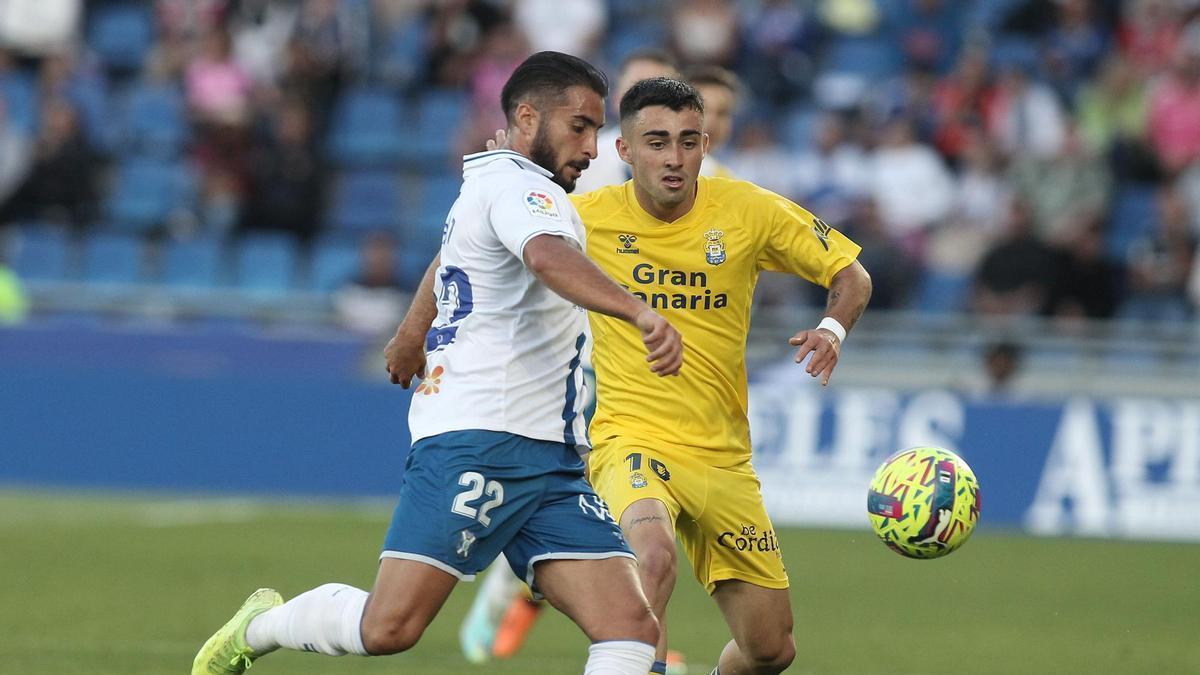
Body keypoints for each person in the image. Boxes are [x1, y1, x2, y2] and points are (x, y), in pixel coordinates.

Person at [192, 51, 684, 675]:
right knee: (389, 627)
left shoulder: (492, 181)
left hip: (550, 457)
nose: (593, 147)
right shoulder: (523, 190)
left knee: (631, 626)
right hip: (482, 442)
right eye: (580, 127)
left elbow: (456, 256)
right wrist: (640, 314)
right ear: (527, 117)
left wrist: (411, 329)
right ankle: (258, 627)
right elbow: (544, 257)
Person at [448, 77, 872, 675]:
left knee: (771, 650)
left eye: (688, 141)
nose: (674, 158)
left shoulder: (749, 210)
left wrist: (831, 330)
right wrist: (419, 331)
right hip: (631, 440)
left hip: (724, 459)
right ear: (624, 151)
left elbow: (852, 274)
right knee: (651, 556)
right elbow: (475, 242)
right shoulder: (583, 218)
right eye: (656, 142)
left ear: (705, 144)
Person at [574, 49, 679, 193]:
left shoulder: (704, 170)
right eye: (638, 90)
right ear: (617, 99)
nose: (650, 100)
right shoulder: (584, 163)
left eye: (662, 92)